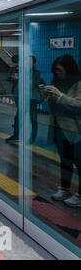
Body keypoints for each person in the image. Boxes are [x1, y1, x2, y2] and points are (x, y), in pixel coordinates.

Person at [44, 54, 81, 207]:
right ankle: (64, 188)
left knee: (79, 163)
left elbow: (78, 104)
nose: (57, 74)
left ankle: (79, 195)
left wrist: (60, 95)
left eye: (60, 70)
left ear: (69, 69)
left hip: (76, 129)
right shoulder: (56, 81)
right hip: (59, 127)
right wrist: (47, 94)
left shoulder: (78, 84)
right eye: (55, 71)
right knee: (65, 161)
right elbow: (50, 102)